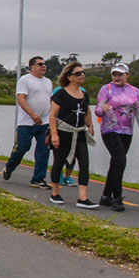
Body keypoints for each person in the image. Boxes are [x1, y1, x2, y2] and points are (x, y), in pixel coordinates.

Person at [94, 62, 139, 211]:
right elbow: (98, 110)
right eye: (114, 74)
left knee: (117, 163)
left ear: (127, 75)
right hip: (110, 129)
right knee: (120, 160)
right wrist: (103, 109)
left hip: (126, 131)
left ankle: (105, 196)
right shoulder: (107, 89)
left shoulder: (134, 91)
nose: (117, 77)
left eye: (120, 74)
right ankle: (117, 198)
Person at [48, 62, 98, 208]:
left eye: (83, 73)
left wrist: (90, 125)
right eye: (78, 73)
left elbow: (87, 111)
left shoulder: (84, 94)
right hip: (63, 132)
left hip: (79, 133)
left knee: (84, 163)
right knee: (59, 162)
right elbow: (53, 115)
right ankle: (55, 192)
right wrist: (54, 134)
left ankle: (83, 197)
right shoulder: (61, 94)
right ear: (70, 77)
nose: (82, 75)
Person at [2, 56, 53, 188]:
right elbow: (21, 99)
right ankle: (9, 167)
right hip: (26, 123)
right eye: (40, 64)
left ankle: (38, 178)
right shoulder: (25, 80)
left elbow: (50, 100)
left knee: (44, 150)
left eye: (45, 64)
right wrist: (32, 114)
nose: (43, 66)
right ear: (32, 67)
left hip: (44, 123)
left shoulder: (48, 82)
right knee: (22, 148)